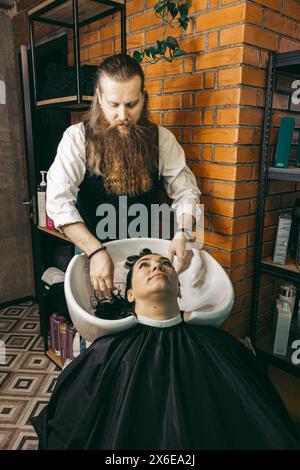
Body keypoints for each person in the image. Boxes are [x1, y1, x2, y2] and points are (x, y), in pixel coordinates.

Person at [31, 249, 299, 450]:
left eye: (165, 264)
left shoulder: (221, 346)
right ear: (131, 294)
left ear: (179, 289)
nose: (156, 267)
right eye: (144, 266)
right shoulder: (106, 353)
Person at [46, 53, 201, 299]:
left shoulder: (161, 139)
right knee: (99, 320)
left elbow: (186, 191)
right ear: (99, 98)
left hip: (144, 256)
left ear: (143, 98)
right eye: (113, 105)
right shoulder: (77, 138)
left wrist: (183, 232)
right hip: (92, 251)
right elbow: (58, 201)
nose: (122, 115)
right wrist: (95, 251)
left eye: (131, 104)